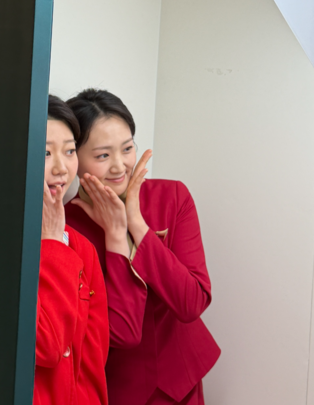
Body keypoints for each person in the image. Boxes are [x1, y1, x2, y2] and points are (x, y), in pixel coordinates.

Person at [64, 89, 220, 405]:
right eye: (103, 156)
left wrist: (136, 223)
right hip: (117, 386)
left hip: (181, 379)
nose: (120, 167)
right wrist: (115, 235)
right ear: (74, 158)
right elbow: (119, 332)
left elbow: (192, 303)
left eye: (127, 148)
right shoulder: (67, 226)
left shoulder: (173, 198)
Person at [34, 95, 109, 405]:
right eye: (45, 152)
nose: (61, 168)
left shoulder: (82, 248)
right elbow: (48, 346)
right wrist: (51, 244)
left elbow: (92, 365)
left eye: (69, 151)